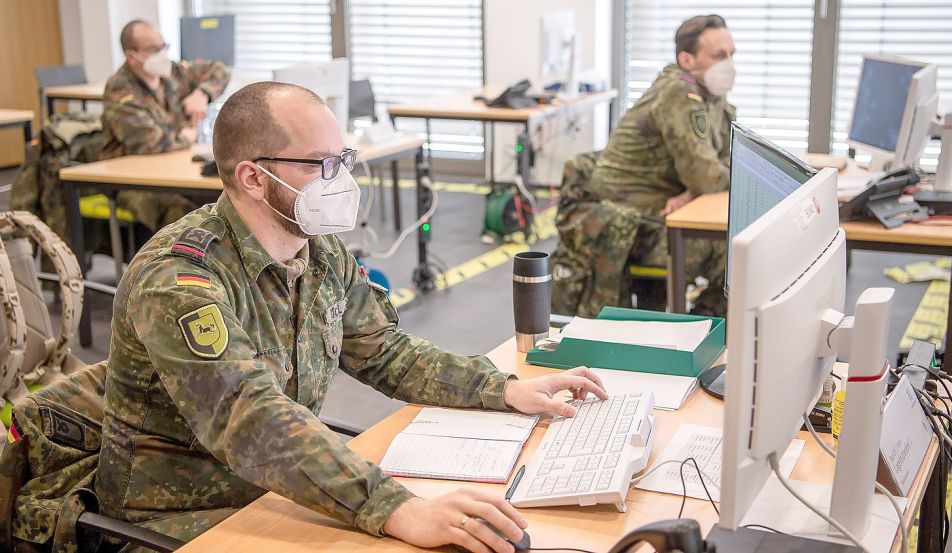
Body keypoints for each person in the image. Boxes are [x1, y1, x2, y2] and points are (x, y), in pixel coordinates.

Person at [94, 80, 608, 553]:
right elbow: (250, 420)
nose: (338, 180)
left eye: (342, 160)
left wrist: (501, 388)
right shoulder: (179, 281)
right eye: (319, 165)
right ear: (253, 177)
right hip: (177, 518)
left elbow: (385, 351)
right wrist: (396, 507)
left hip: (277, 486)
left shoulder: (318, 251)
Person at [551, 14, 736, 317]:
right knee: (733, 257)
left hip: (657, 212)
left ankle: (699, 331)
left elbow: (726, 159)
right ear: (687, 60)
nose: (729, 63)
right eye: (719, 55)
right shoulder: (679, 93)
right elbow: (708, 176)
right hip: (628, 222)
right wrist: (697, 186)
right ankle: (698, 335)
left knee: (740, 251)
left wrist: (690, 193)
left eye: (731, 54)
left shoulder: (711, 94)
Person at [100, 19, 230, 231]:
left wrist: (202, 93)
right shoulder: (120, 88)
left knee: (222, 203)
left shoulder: (174, 73)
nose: (162, 54)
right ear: (131, 56)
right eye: (153, 49)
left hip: (172, 169)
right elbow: (149, 141)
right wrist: (186, 137)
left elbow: (220, 70)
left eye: (163, 47)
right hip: (132, 182)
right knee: (184, 216)